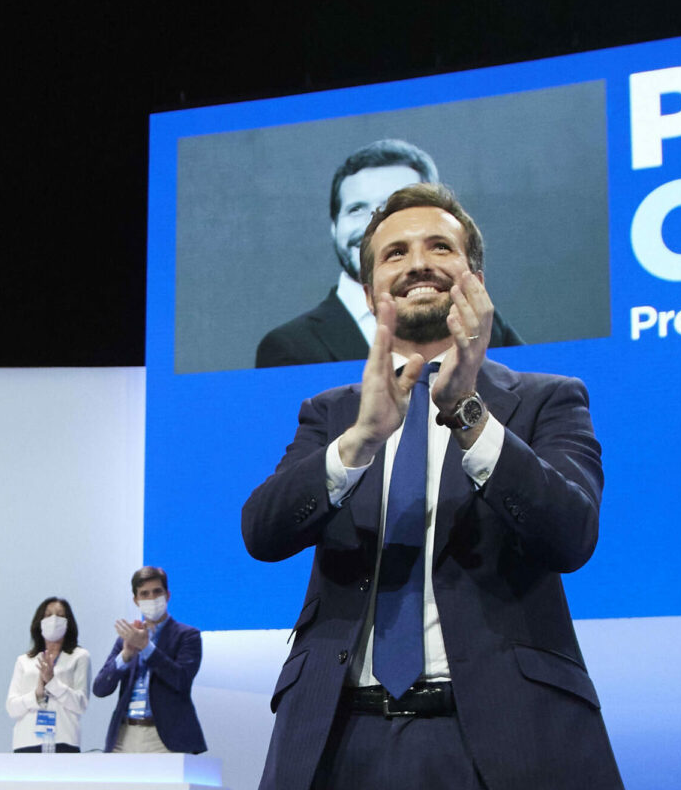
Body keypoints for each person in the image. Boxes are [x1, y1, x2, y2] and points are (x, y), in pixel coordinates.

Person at [243, 182, 621, 790]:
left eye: (439, 247)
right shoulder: (331, 414)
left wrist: (469, 413)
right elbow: (262, 531)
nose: (417, 262)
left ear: (472, 277)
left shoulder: (549, 398)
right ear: (369, 293)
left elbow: (571, 534)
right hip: (340, 742)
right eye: (394, 253)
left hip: (506, 737)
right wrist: (361, 440)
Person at [255, 139, 524, 368]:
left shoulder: (490, 328)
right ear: (334, 225)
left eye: (392, 207)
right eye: (357, 209)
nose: (371, 224)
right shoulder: (288, 346)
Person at [91, 566, 206, 754]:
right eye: (144, 594)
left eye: (157, 592)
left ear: (167, 595)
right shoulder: (126, 638)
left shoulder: (187, 635)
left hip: (165, 738)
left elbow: (181, 680)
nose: (151, 598)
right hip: (124, 735)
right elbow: (100, 688)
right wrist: (125, 656)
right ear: (136, 600)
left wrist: (147, 648)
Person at [6, 597, 90, 753]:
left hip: (64, 739)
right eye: (48, 615)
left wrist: (52, 682)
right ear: (39, 622)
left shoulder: (79, 656)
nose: (54, 619)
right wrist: (36, 695)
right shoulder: (24, 660)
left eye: (60, 615)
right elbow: (12, 708)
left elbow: (81, 704)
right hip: (26, 740)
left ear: (68, 622)